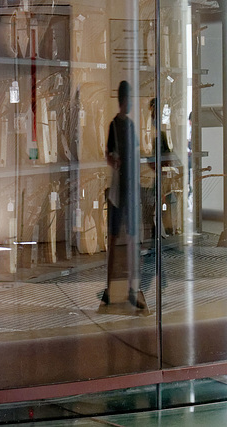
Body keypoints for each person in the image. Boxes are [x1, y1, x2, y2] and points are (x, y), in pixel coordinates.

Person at [102, 81, 144, 308]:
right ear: (124, 101)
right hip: (121, 189)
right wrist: (114, 161)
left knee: (128, 240)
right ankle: (112, 289)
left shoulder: (128, 125)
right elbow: (108, 154)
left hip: (125, 188)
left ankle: (129, 288)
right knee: (117, 239)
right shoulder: (117, 125)